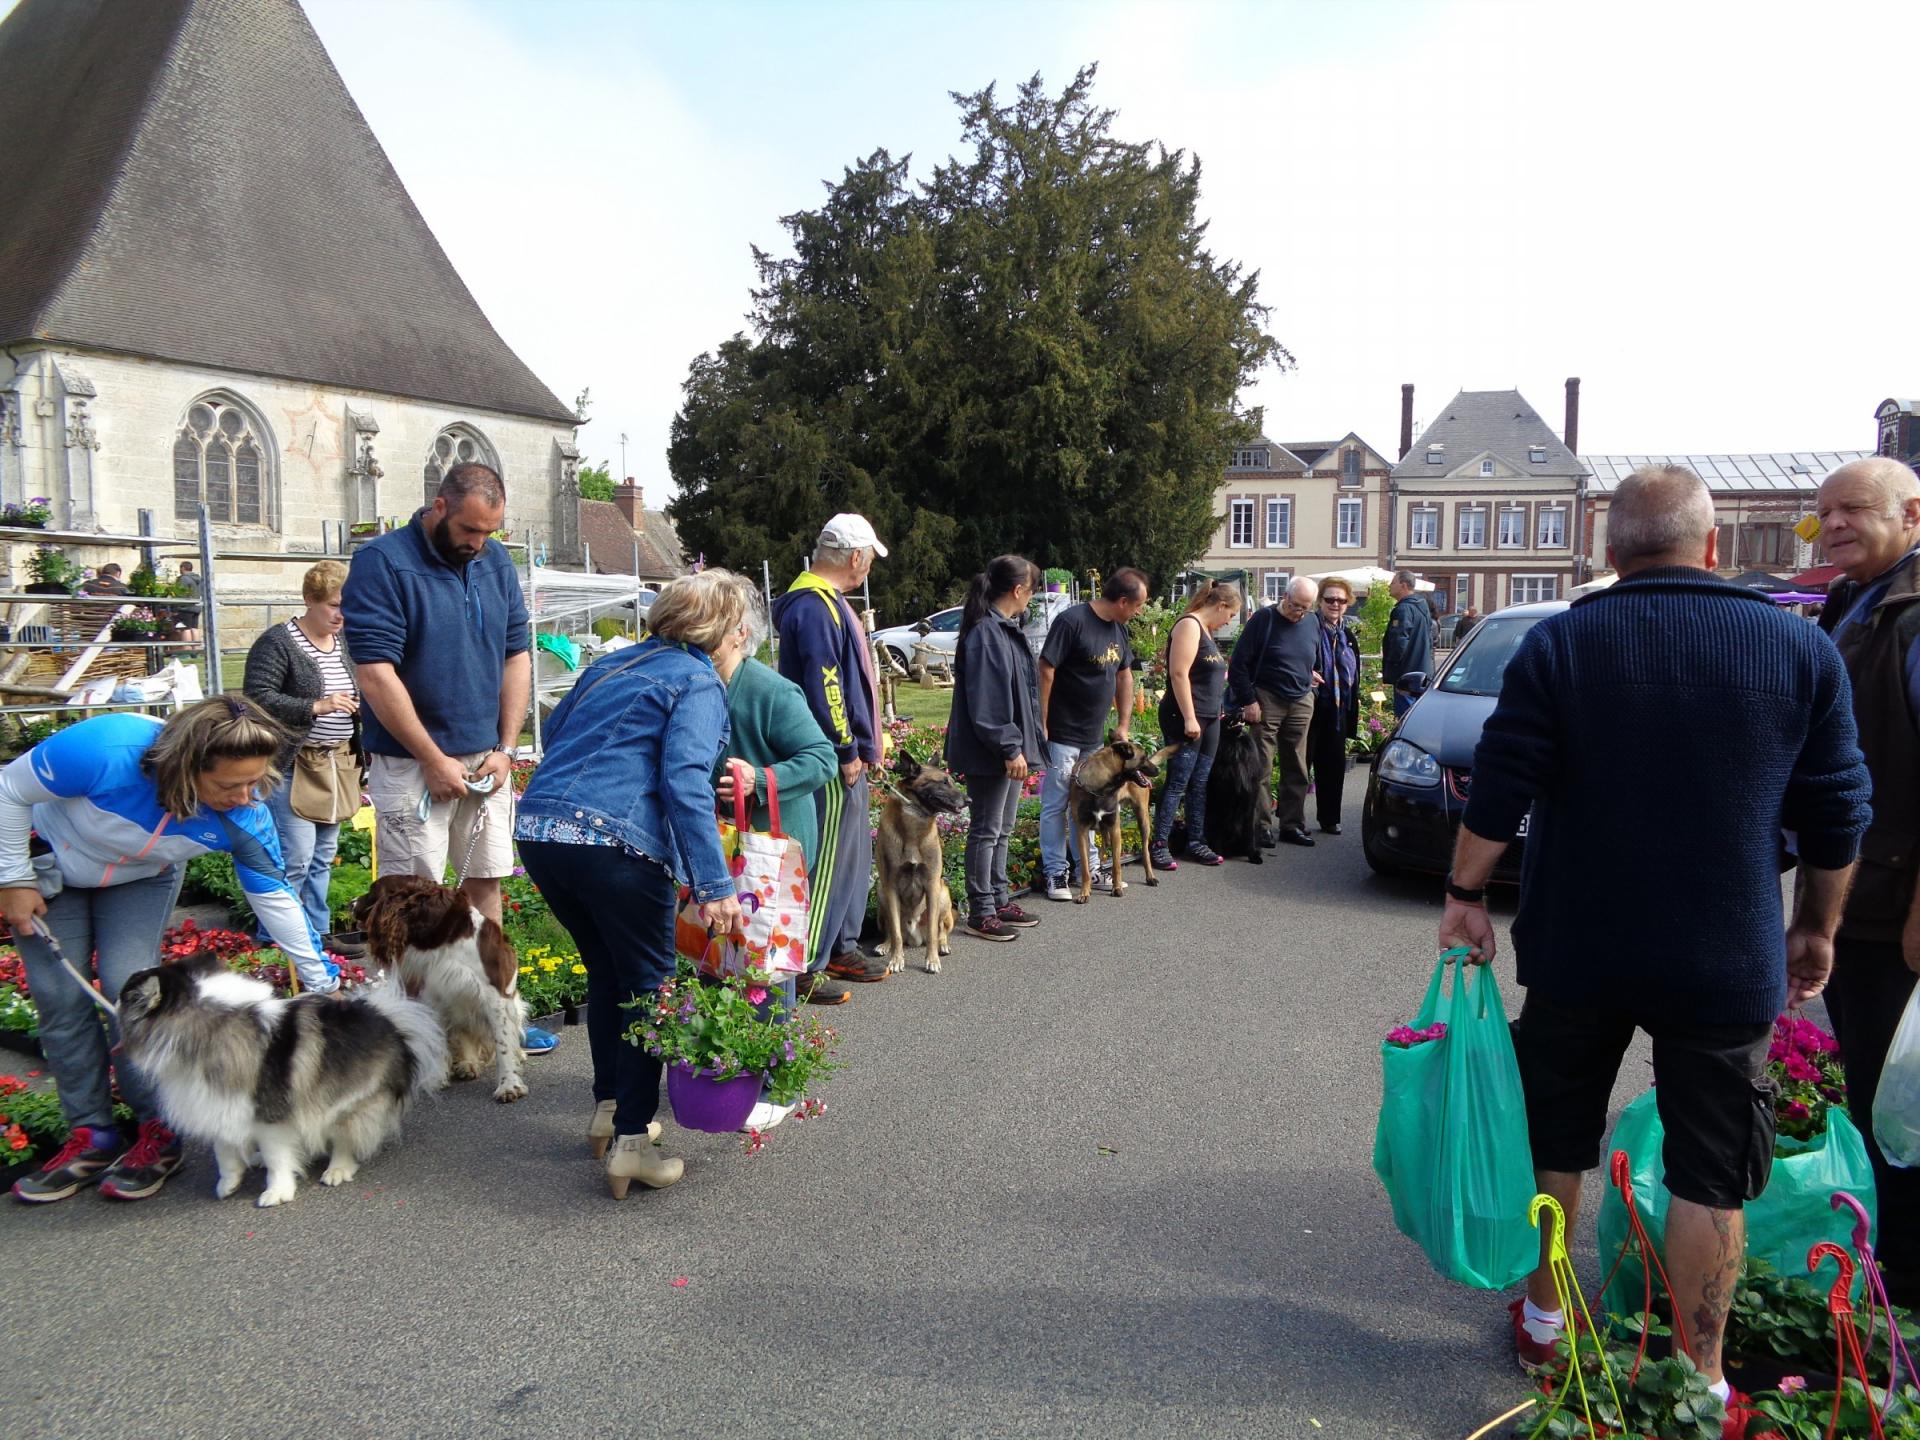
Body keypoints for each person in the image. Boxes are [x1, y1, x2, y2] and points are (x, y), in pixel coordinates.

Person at [1438, 465, 1870, 1427]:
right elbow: (1840, 810)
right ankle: (1701, 1371)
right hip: (1723, 952)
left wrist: (1466, 894)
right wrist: (1817, 927)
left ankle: (1547, 1317)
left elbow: (1502, 780)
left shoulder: (1563, 644)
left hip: (1579, 945)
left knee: (1557, 1135)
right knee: (1711, 1169)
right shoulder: (1798, 649)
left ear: (1608, 549)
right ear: (1712, 547)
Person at [4, 699, 342, 1204]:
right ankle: (90, 1135)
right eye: (229, 785)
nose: (245, 796)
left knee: (133, 990)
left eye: (253, 781)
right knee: (60, 1000)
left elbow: (276, 898)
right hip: (55, 872)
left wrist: (322, 983)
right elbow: (9, 788)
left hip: (142, 878)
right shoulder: (102, 750)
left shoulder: (245, 815)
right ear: (186, 767)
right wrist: (12, 877)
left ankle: (156, 1131)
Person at [515, 572, 745, 1196]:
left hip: (540, 830)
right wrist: (715, 884)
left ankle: (608, 1110)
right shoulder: (697, 679)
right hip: (616, 841)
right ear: (721, 629)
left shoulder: (609, 667)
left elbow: (559, 737)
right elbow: (685, 783)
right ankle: (633, 1142)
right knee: (651, 987)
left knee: (609, 975)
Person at [341, 463, 554, 1054]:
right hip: (413, 766)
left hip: (485, 758)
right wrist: (432, 757)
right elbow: (375, 673)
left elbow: (517, 656)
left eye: (489, 532)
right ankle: (414, 1036)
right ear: (438, 506)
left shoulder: (495, 562)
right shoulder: (383, 563)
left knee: (486, 886)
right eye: (468, 529)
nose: (477, 543)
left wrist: (507, 748)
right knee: (411, 901)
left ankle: (497, 1014)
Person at [1812, 455, 1920, 1306]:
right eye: (1825, 512)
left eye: (1854, 508)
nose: (1834, 523)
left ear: (1911, 513)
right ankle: (1880, 1275)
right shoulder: (1855, 602)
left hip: (1898, 913)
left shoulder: (1914, 615)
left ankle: (1904, 1299)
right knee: (1871, 1094)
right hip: (1860, 902)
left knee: (1903, 1116)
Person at [770, 514, 890, 999]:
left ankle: (840, 946)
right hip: (829, 755)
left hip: (843, 752)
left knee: (849, 858)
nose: (870, 570)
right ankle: (808, 965)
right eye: (870, 560)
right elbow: (827, 684)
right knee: (828, 862)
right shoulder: (816, 607)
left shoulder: (824, 602)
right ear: (856, 557)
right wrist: (846, 748)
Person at [243, 560, 360, 947]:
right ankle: (277, 939)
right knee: (296, 857)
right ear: (309, 600)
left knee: (324, 855)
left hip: (336, 764)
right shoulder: (278, 642)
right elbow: (256, 698)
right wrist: (316, 706)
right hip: (291, 764)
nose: (341, 614)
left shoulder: (345, 642)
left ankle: (317, 934)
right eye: (333, 605)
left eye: (347, 606)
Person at [945, 556, 1046, 942]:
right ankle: (981, 909)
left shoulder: (1002, 629)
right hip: (992, 753)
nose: (1031, 598)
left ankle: (1000, 899)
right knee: (987, 830)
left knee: (1001, 829)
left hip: (1006, 749)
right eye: (1032, 590)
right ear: (1018, 591)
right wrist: (1009, 747)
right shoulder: (988, 633)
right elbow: (988, 703)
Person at [1036, 568, 1148, 901]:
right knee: (1057, 804)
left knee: (1094, 803)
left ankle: (1091, 869)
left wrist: (1123, 724)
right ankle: (1056, 873)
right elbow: (1046, 668)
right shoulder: (1072, 622)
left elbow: (1125, 676)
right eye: (1138, 606)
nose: (1139, 612)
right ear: (1123, 601)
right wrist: (1043, 721)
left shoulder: (1119, 630)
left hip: (1093, 737)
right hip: (1063, 732)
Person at [1147, 583, 1238, 870]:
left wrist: (1218, 709)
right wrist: (1189, 717)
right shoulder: (1189, 625)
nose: (1229, 621)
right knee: (1178, 781)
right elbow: (1178, 673)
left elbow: (1208, 677)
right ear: (1221, 605)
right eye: (1231, 614)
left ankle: (1195, 841)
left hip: (1210, 717)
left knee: (1200, 782)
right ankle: (1159, 843)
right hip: (1186, 716)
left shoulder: (1207, 631)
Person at [1226, 576, 1321, 849]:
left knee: (1298, 765)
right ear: (1285, 597)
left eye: (1305, 607)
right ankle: (1261, 827)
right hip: (1267, 698)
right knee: (1262, 765)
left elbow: (1312, 653)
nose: (1299, 613)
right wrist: (1249, 701)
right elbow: (1239, 665)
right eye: (1295, 606)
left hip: (1301, 698)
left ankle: (1292, 824)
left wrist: (1311, 675)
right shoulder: (1263, 620)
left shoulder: (1312, 621)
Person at [1307, 577, 1360, 836]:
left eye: (1341, 600)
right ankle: (1290, 820)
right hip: (1310, 704)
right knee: (1300, 765)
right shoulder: (1309, 627)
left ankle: (1330, 818)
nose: (1335, 604)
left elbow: (1354, 676)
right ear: (1320, 601)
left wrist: (1352, 713)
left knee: (1333, 765)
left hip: (1337, 707)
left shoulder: (1347, 634)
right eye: (1330, 599)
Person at [1381, 570, 1434, 717]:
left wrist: (1391, 668)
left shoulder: (1403, 609)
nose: (1389, 586)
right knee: (1418, 716)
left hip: (1406, 674)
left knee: (1405, 718)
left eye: (1393, 582)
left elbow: (1399, 641)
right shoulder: (1422, 607)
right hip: (1422, 671)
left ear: (1403, 585)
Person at [174, 560, 203, 643]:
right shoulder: (198, 579)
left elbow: (180, 593)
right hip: (197, 606)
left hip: (186, 607)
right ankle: (195, 651)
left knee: (185, 629)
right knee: (194, 628)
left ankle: (187, 650)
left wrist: (175, 606)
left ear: (183, 568)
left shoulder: (184, 578)